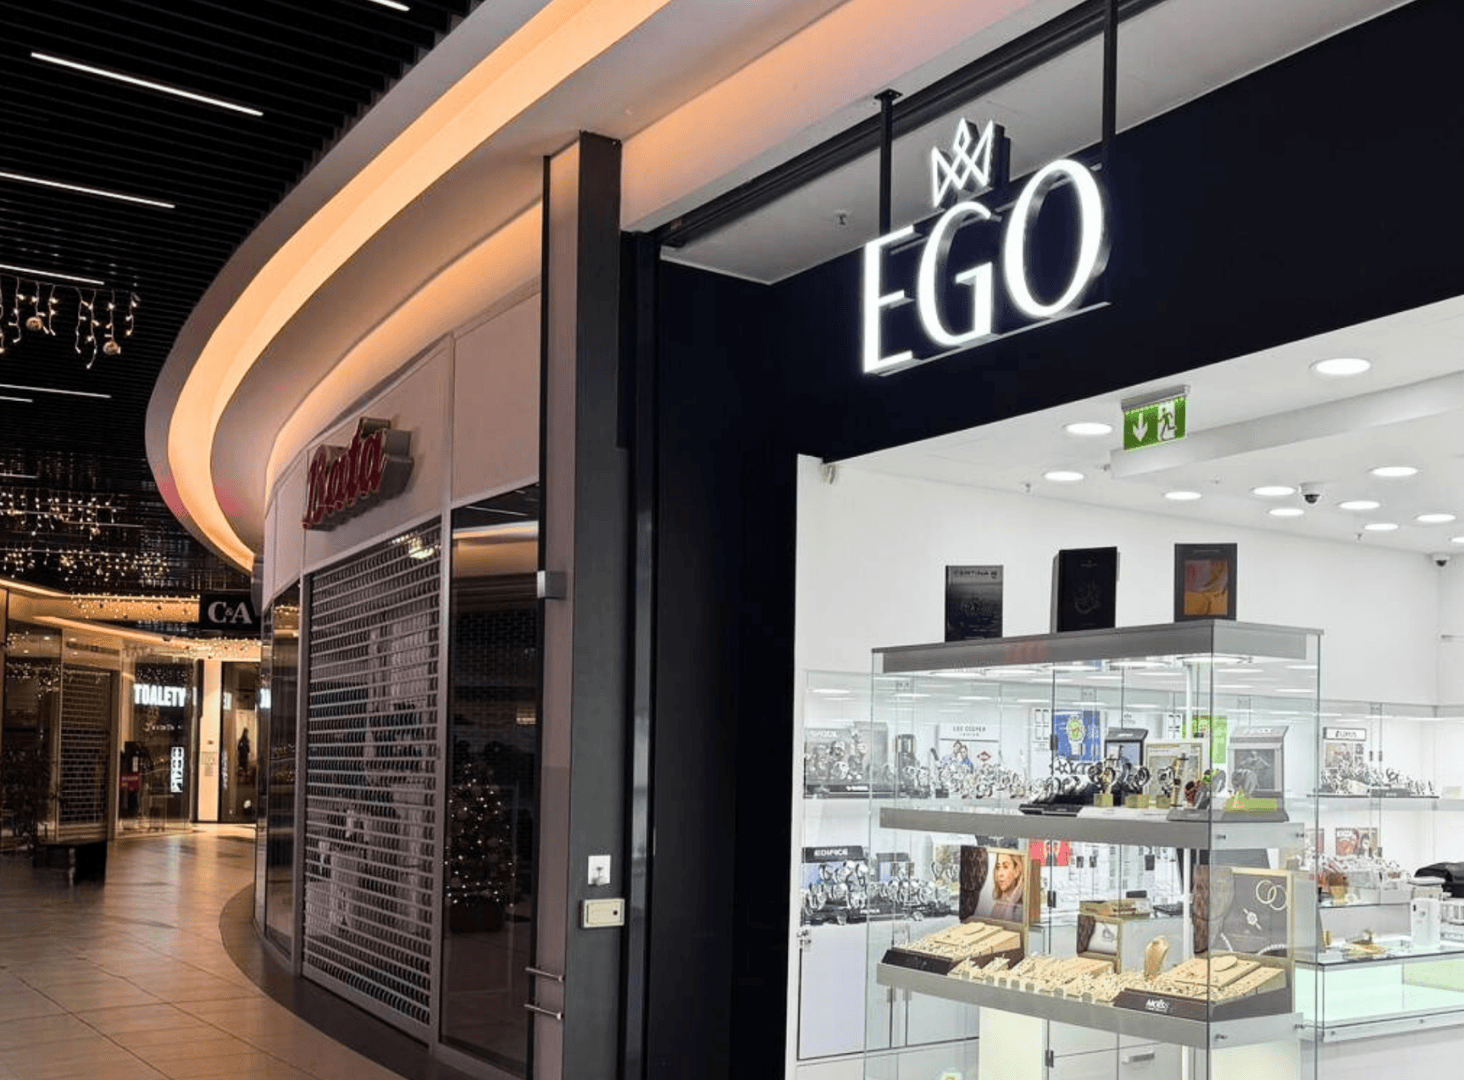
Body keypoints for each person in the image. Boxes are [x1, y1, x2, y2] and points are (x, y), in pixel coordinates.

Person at [986, 851, 1026, 923]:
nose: (1000, 874)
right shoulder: (997, 905)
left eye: (1005, 867)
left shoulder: (1020, 910)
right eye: (998, 867)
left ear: (1016, 871)